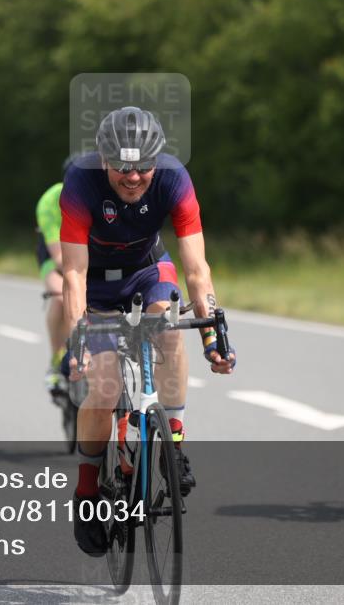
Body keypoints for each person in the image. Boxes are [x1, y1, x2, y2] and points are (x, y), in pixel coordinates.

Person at [61, 106, 236, 556]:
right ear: (104, 159)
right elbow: (74, 274)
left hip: (146, 270)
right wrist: (78, 338)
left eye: (143, 166)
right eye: (123, 168)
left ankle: (172, 441)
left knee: (170, 329)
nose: (134, 177)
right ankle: (86, 493)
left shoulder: (174, 177)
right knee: (103, 388)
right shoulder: (80, 181)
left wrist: (212, 337)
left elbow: (196, 269)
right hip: (96, 283)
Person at [35, 160, 76, 396]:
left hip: (87, 252)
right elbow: (59, 257)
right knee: (62, 296)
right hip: (54, 255)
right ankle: (56, 358)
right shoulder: (50, 201)